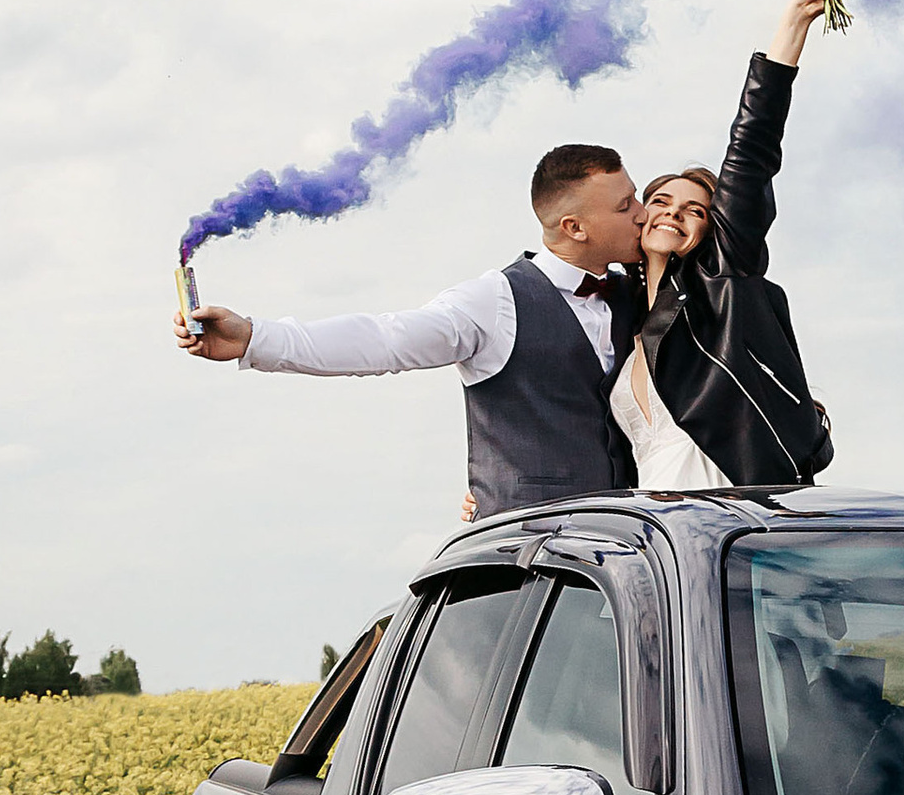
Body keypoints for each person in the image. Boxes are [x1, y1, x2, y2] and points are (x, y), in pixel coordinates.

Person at [176, 141, 646, 518]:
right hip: (530, 560)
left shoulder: (640, 295)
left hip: (635, 560)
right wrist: (256, 337)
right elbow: (384, 340)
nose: (643, 213)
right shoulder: (493, 302)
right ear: (575, 227)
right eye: (626, 206)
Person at [611, 0, 843, 489]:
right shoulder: (617, 315)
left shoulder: (722, 278)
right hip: (655, 532)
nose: (675, 213)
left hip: (732, 511)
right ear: (640, 216)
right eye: (662, 201)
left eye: (695, 210)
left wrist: (791, 26)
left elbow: (752, 150)